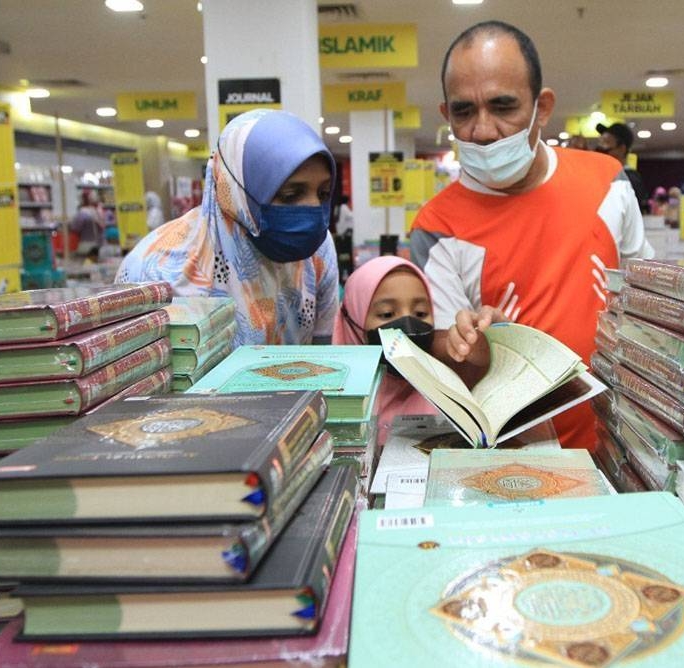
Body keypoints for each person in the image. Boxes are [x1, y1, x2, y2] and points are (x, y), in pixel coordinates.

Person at [410, 20, 653, 450]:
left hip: (625, 442)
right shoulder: (436, 226)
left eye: (504, 107)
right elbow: (451, 370)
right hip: (517, 460)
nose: (483, 130)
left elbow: (647, 305)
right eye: (464, 111)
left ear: (542, 107)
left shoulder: (608, 182)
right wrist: (482, 347)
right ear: (446, 114)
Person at [116, 108, 339, 346]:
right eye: (290, 195)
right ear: (236, 190)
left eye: (324, 193)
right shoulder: (158, 271)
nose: (313, 210)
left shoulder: (318, 251)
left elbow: (323, 354)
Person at [333, 256, 438, 444]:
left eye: (421, 313)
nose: (408, 326)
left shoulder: (447, 405)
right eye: (387, 314)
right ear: (353, 321)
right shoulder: (330, 413)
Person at [595, 122, 648, 211]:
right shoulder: (599, 174)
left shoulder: (630, 179)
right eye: (600, 142)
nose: (601, 147)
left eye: (606, 142)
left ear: (621, 149)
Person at [70, 189, 105, 258]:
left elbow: (75, 228)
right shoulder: (98, 211)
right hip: (100, 246)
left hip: (86, 246)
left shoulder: (82, 213)